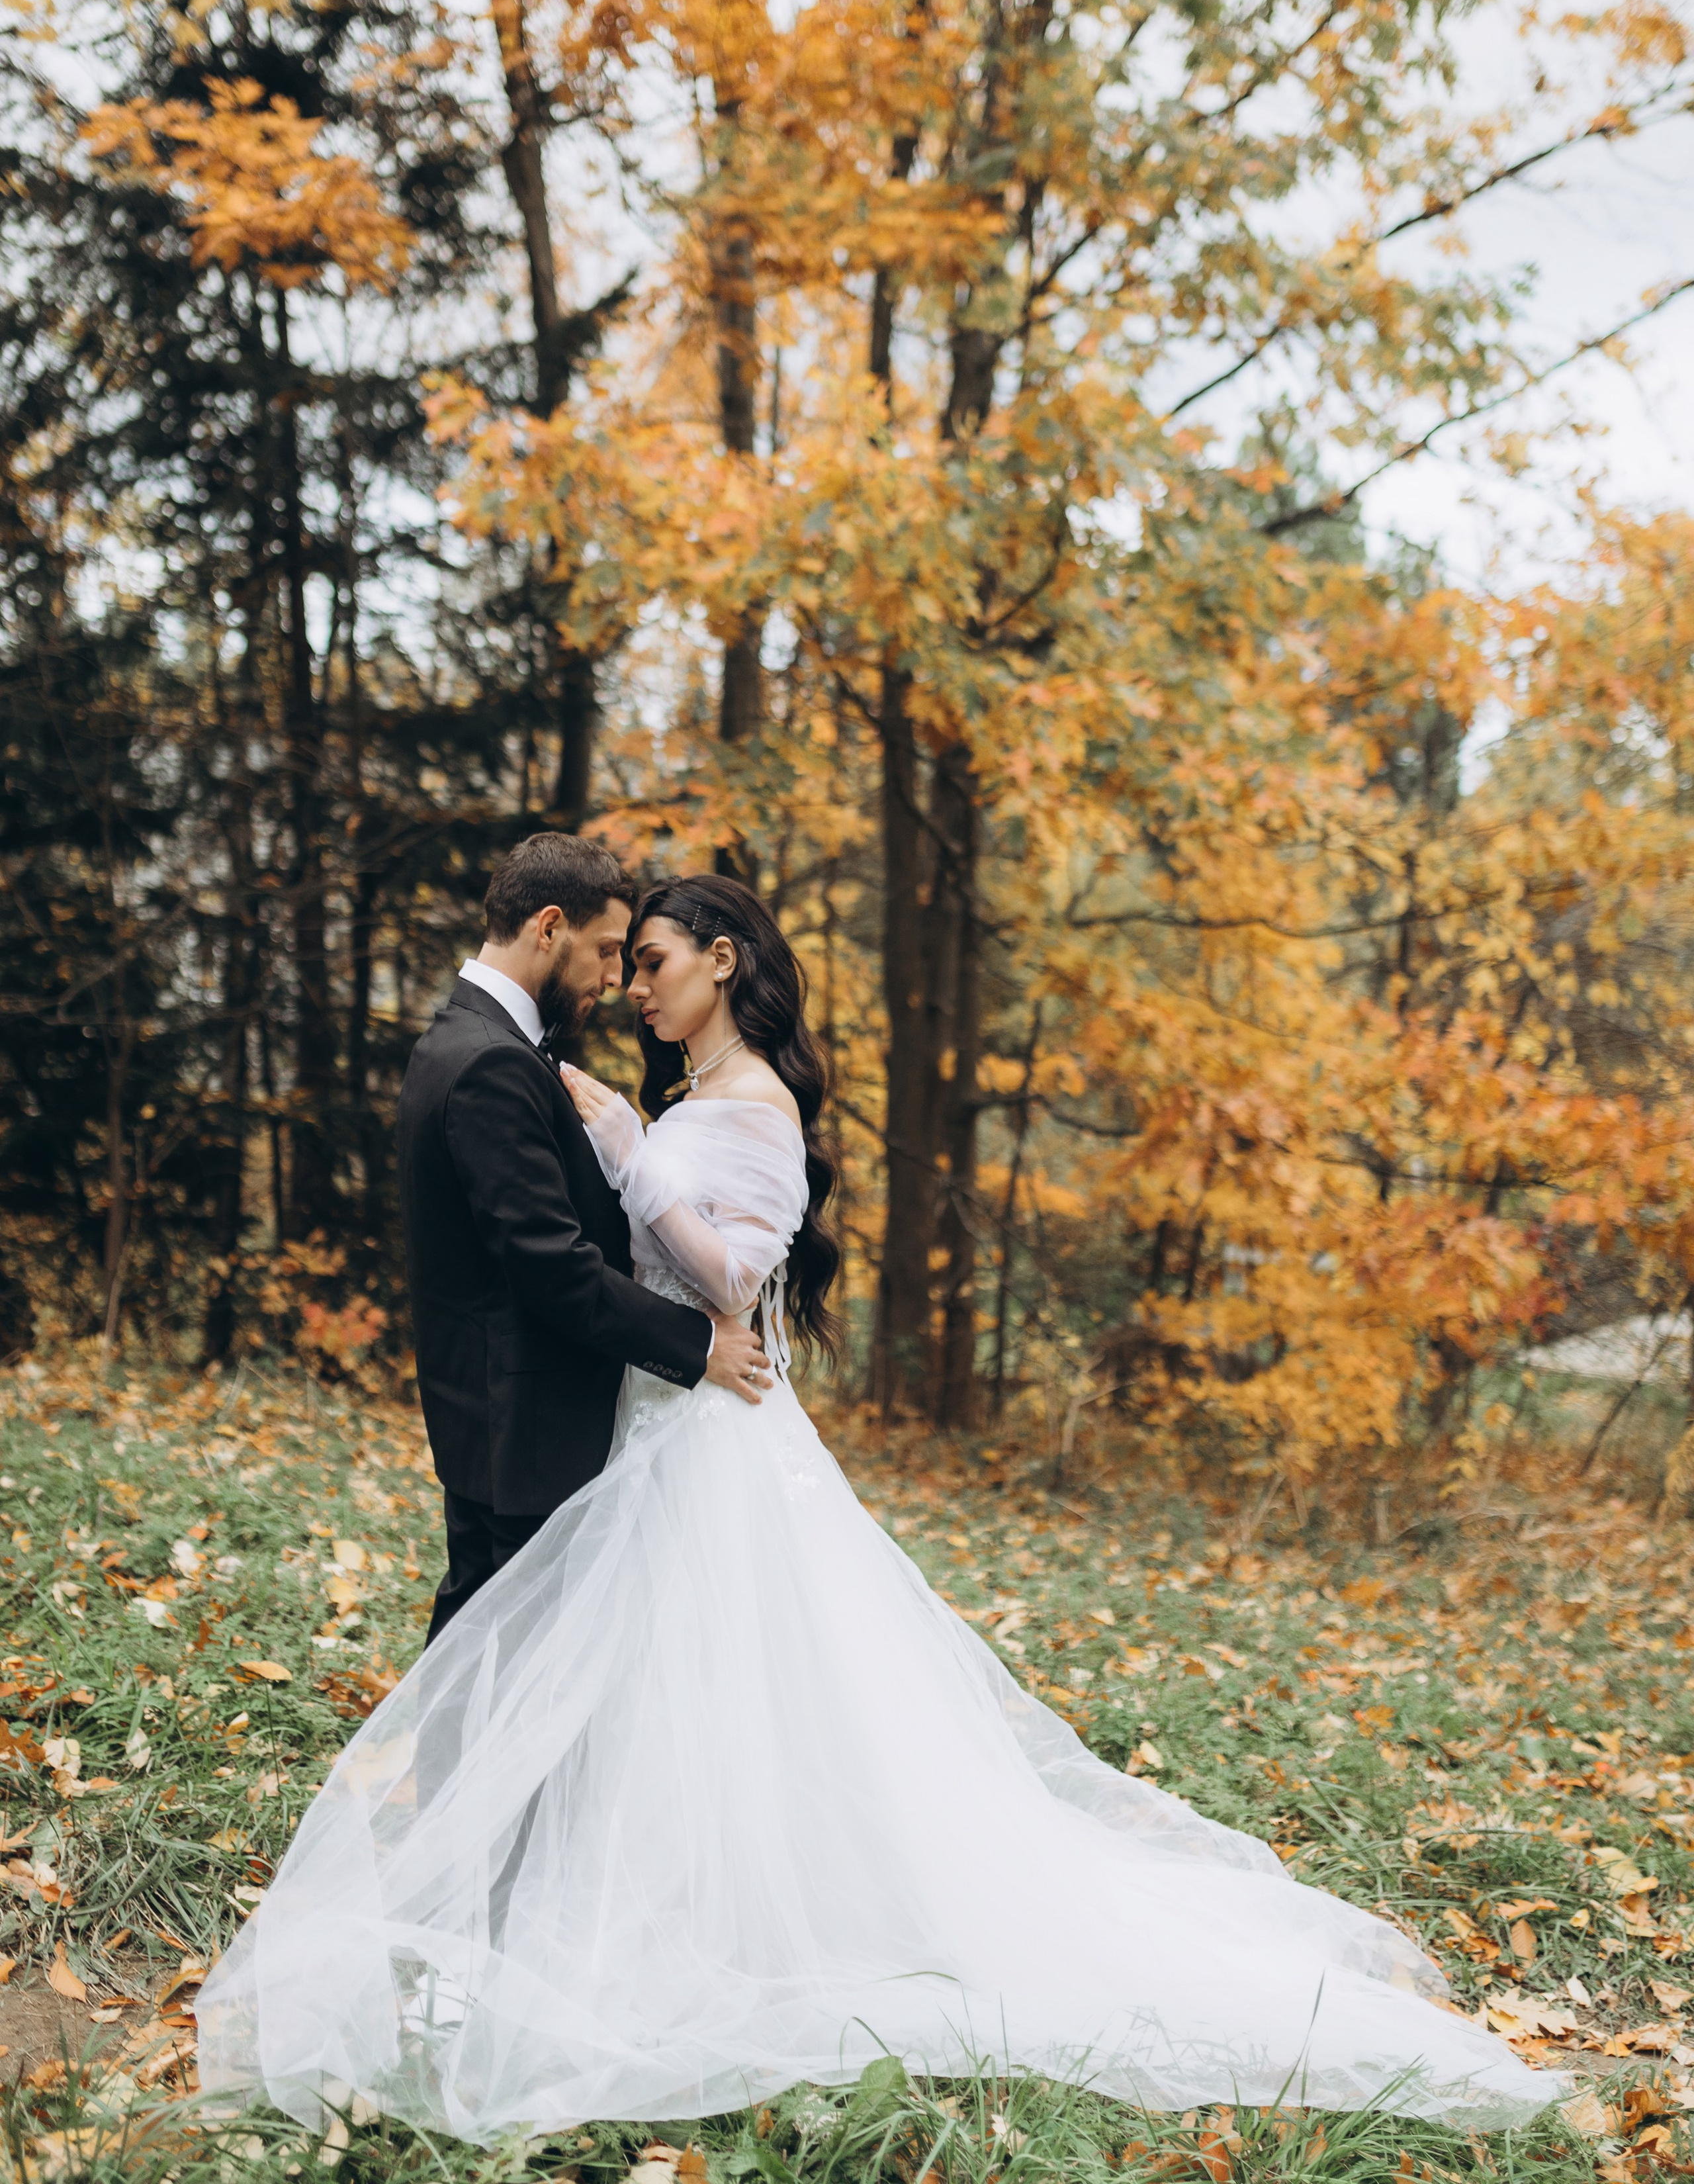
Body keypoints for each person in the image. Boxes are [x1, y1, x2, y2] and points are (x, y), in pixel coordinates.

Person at [197, 876, 1564, 2144]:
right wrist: (630, 1152)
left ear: (721, 964)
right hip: (657, 1429)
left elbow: (733, 1282)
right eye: (627, 962)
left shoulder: (751, 1112)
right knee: (659, 1695)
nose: (635, 987)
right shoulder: (688, 1093)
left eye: (657, 963)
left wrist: (632, 1159)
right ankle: (619, 1910)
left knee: (728, 1684)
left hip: (710, 1439)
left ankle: (723, 1930)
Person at [393, 831, 771, 1641]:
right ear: (549, 927)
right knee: (509, 1667)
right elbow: (548, 1265)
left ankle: (447, 1773)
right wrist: (698, 1343)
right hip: (521, 1423)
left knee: (486, 1655)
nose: (615, 978)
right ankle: (453, 1775)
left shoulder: (465, 1042)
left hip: (496, 1413)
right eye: (606, 951)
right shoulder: (493, 1061)